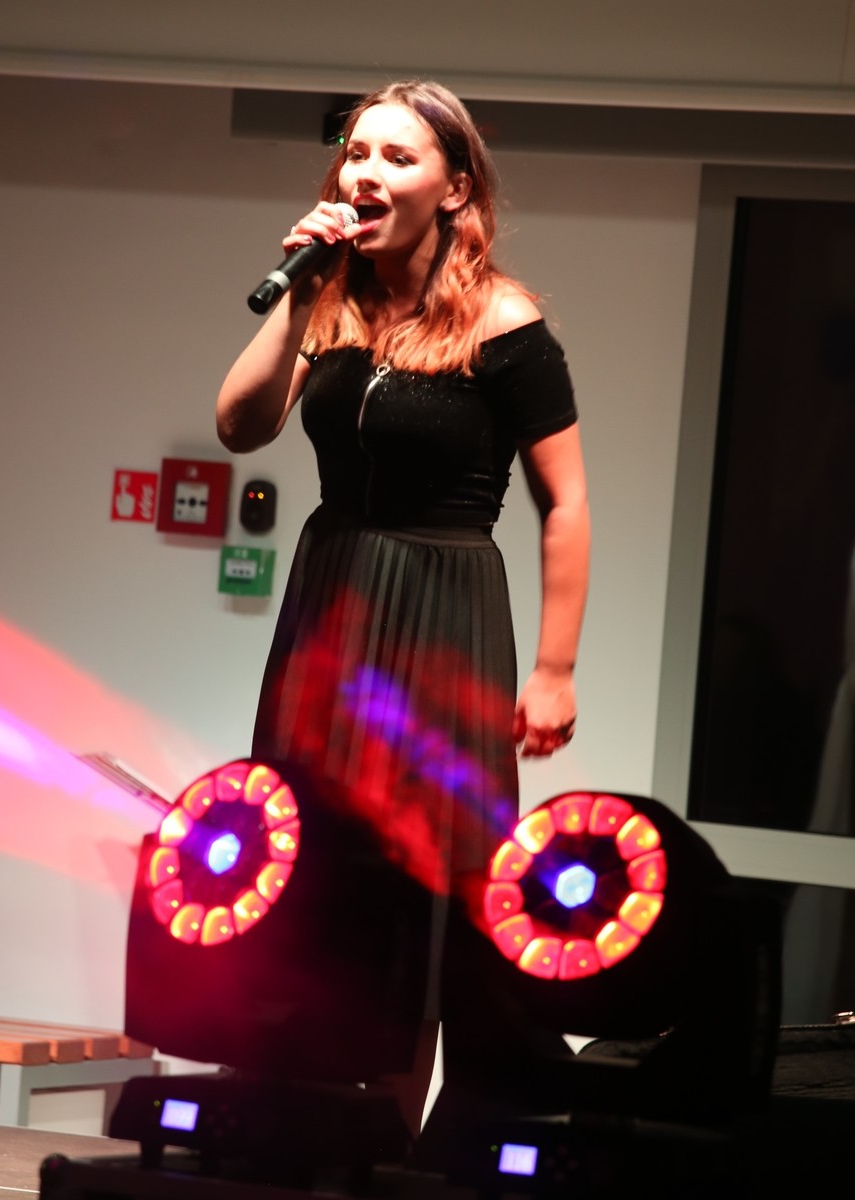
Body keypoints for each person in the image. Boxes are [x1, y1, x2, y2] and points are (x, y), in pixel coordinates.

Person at [216, 79, 590, 1131]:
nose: (365, 172)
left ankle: (394, 1137)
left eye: (397, 156)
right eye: (356, 153)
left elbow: (567, 504)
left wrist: (553, 670)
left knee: (419, 893)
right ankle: (300, 1122)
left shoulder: (506, 322)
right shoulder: (329, 299)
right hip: (332, 598)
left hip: (442, 610)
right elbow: (240, 426)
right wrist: (298, 293)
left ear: (455, 188)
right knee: (312, 861)